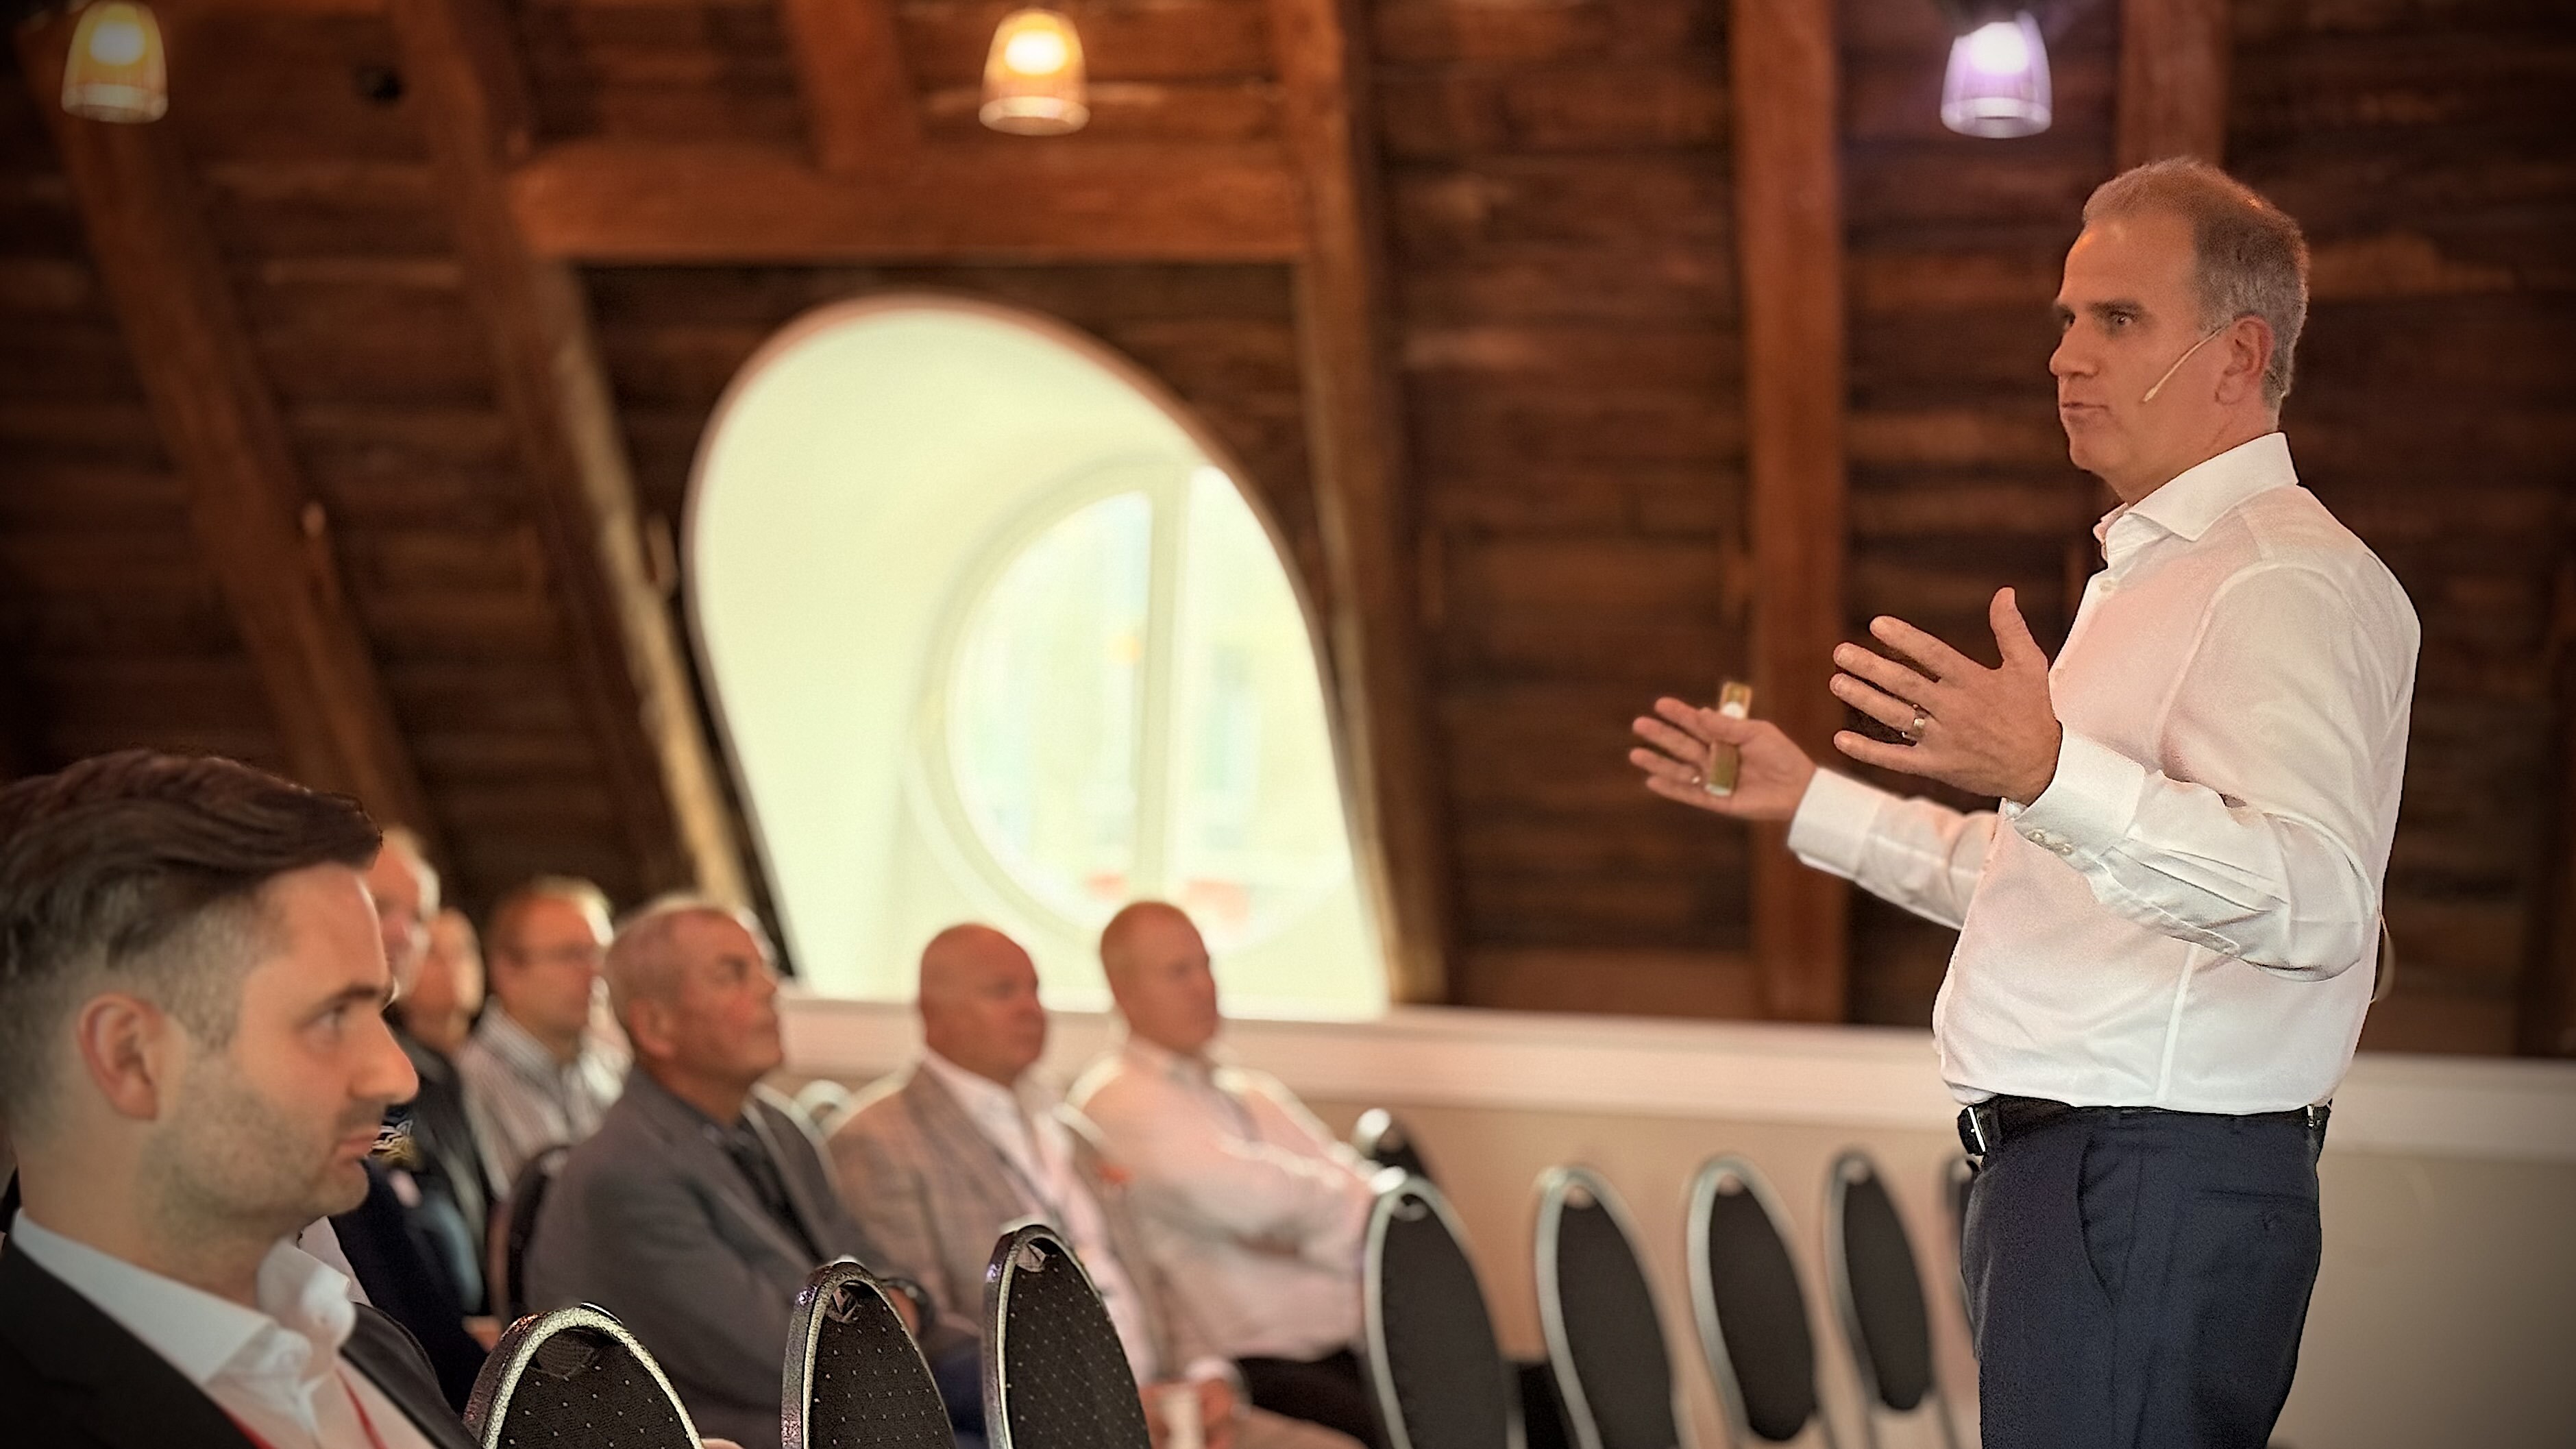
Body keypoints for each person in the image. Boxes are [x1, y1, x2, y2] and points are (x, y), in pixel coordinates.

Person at [1630, 158, 2417, 1448]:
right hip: (2092, 1176)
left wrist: (2050, 772)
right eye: (2063, 318)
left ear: (2237, 354)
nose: (2064, 355)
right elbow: (2047, 883)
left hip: (2144, 1177)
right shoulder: (2155, 575)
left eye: (2116, 318)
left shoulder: (2279, 580)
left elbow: (2321, 905)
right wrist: (1808, 797)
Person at [0, 752, 476, 1448]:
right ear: (131, 1056)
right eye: (331, 1017)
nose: (396, 1078)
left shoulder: (366, 1341)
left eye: (378, 1011)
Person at [831, 924, 1362, 1449]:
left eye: (1035, 990)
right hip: (1053, 1422)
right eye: (1002, 991)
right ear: (932, 1011)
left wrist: (1207, 1373)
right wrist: (1094, 1401)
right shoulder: (881, 1139)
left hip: (1165, 1403)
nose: (1030, 1009)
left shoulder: (1070, 1131)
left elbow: (1152, 1275)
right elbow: (922, 1332)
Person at [524, 897, 984, 1449]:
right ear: (655, 1026)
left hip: (856, 1382)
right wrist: (888, 1316)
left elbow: (875, 1267)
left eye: (763, 966)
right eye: (732, 974)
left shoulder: (777, 1126)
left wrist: (899, 1303)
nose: (770, 988)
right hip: (759, 1427)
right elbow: (781, 1360)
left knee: (1018, 1381)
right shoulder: (623, 1174)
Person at [1071, 903, 1384, 1447]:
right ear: (1124, 992)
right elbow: (1257, 1202)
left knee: (1505, 1395)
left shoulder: (1249, 1090)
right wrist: (1314, 1224)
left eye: (1205, 966)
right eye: (1178, 972)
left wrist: (1303, 1230)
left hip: (1352, 1342)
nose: (1204, 987)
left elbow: (1364, 1193)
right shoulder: (1118, 1102)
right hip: (1251, 1370)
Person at [456, 877, 626, 1195]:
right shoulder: (469, 1085)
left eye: (601, 954)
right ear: (508, 971)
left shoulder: (616, 1071)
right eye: (573, 955)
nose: (596, 972)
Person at [394, 908, 484, 1060]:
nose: (451, 964)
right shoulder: (394, 1061)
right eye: (432, 952)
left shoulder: (504, 1058)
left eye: (462, 949)